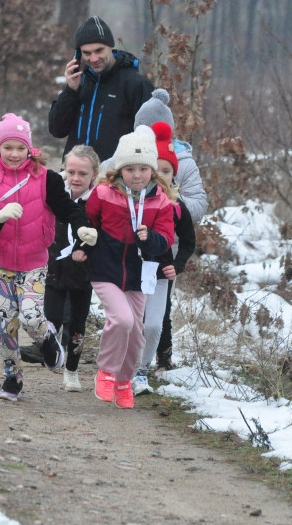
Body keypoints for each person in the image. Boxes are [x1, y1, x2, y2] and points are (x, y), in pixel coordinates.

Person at [0, 113, 93, 401]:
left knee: (31, 317)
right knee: (5, 325)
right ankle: (12, 379)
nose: (14, 154)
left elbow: (68, 210)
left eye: (20, 148)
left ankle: (47, 340)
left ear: (29, 149)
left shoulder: (46, 179)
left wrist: (83, 227)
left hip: (34, 262)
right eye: (8, 147)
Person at [76, 126, 175, 409]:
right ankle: (106, 372)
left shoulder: (161, 201)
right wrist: (84, 245)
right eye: (130, 169)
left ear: (152, 171)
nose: (136, 175)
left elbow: (167, 238)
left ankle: (124, 380)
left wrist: (150, 238)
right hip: (105, 269)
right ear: (120, 170)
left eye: (143, 169)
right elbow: (89, 221)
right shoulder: (104, 193)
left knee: (136, 331)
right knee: (122, 320)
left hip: (139, 273)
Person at [131, 88, 207, 370]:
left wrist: (170, 203)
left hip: (167, 247)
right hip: (130, 248)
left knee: (160, 310)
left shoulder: (183, 162)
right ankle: (130, 357)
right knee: (133, 303)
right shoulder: (128, 156)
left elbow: (199, 203)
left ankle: (162, 357)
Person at [131, 123, 196, 396]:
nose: (161, 176)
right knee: (130, 322)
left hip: (158, 272)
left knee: (154, 324)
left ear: (174, 176)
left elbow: (189, 242)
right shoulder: (130, 199)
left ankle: (142, 371)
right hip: (129, 271)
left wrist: (176, 265)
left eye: (167, 171)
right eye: (155, 170)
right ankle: (124, 368)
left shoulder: (178, 208)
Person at [48, 16, 153, 162]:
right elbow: (56, 130)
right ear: (78, 54)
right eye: (87, 53)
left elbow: (150, 138)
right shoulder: (78, 82)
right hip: (75, 176)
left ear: (111, 46)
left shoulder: (136, 84)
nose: (94, 58)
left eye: (99, 50)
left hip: (114, 178)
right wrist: (70, 91)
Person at [43, 145, 100, 391]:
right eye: (71, 172)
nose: (76, 178)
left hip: (83, 274)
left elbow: (104, 235)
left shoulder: (99, 200)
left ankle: (72, 371)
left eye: (83, 174)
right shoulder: (55, 194)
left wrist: (86, 251)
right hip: (53, 267)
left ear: (94, 176)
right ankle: (52, 354)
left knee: (77, 325)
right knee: (51, 319)